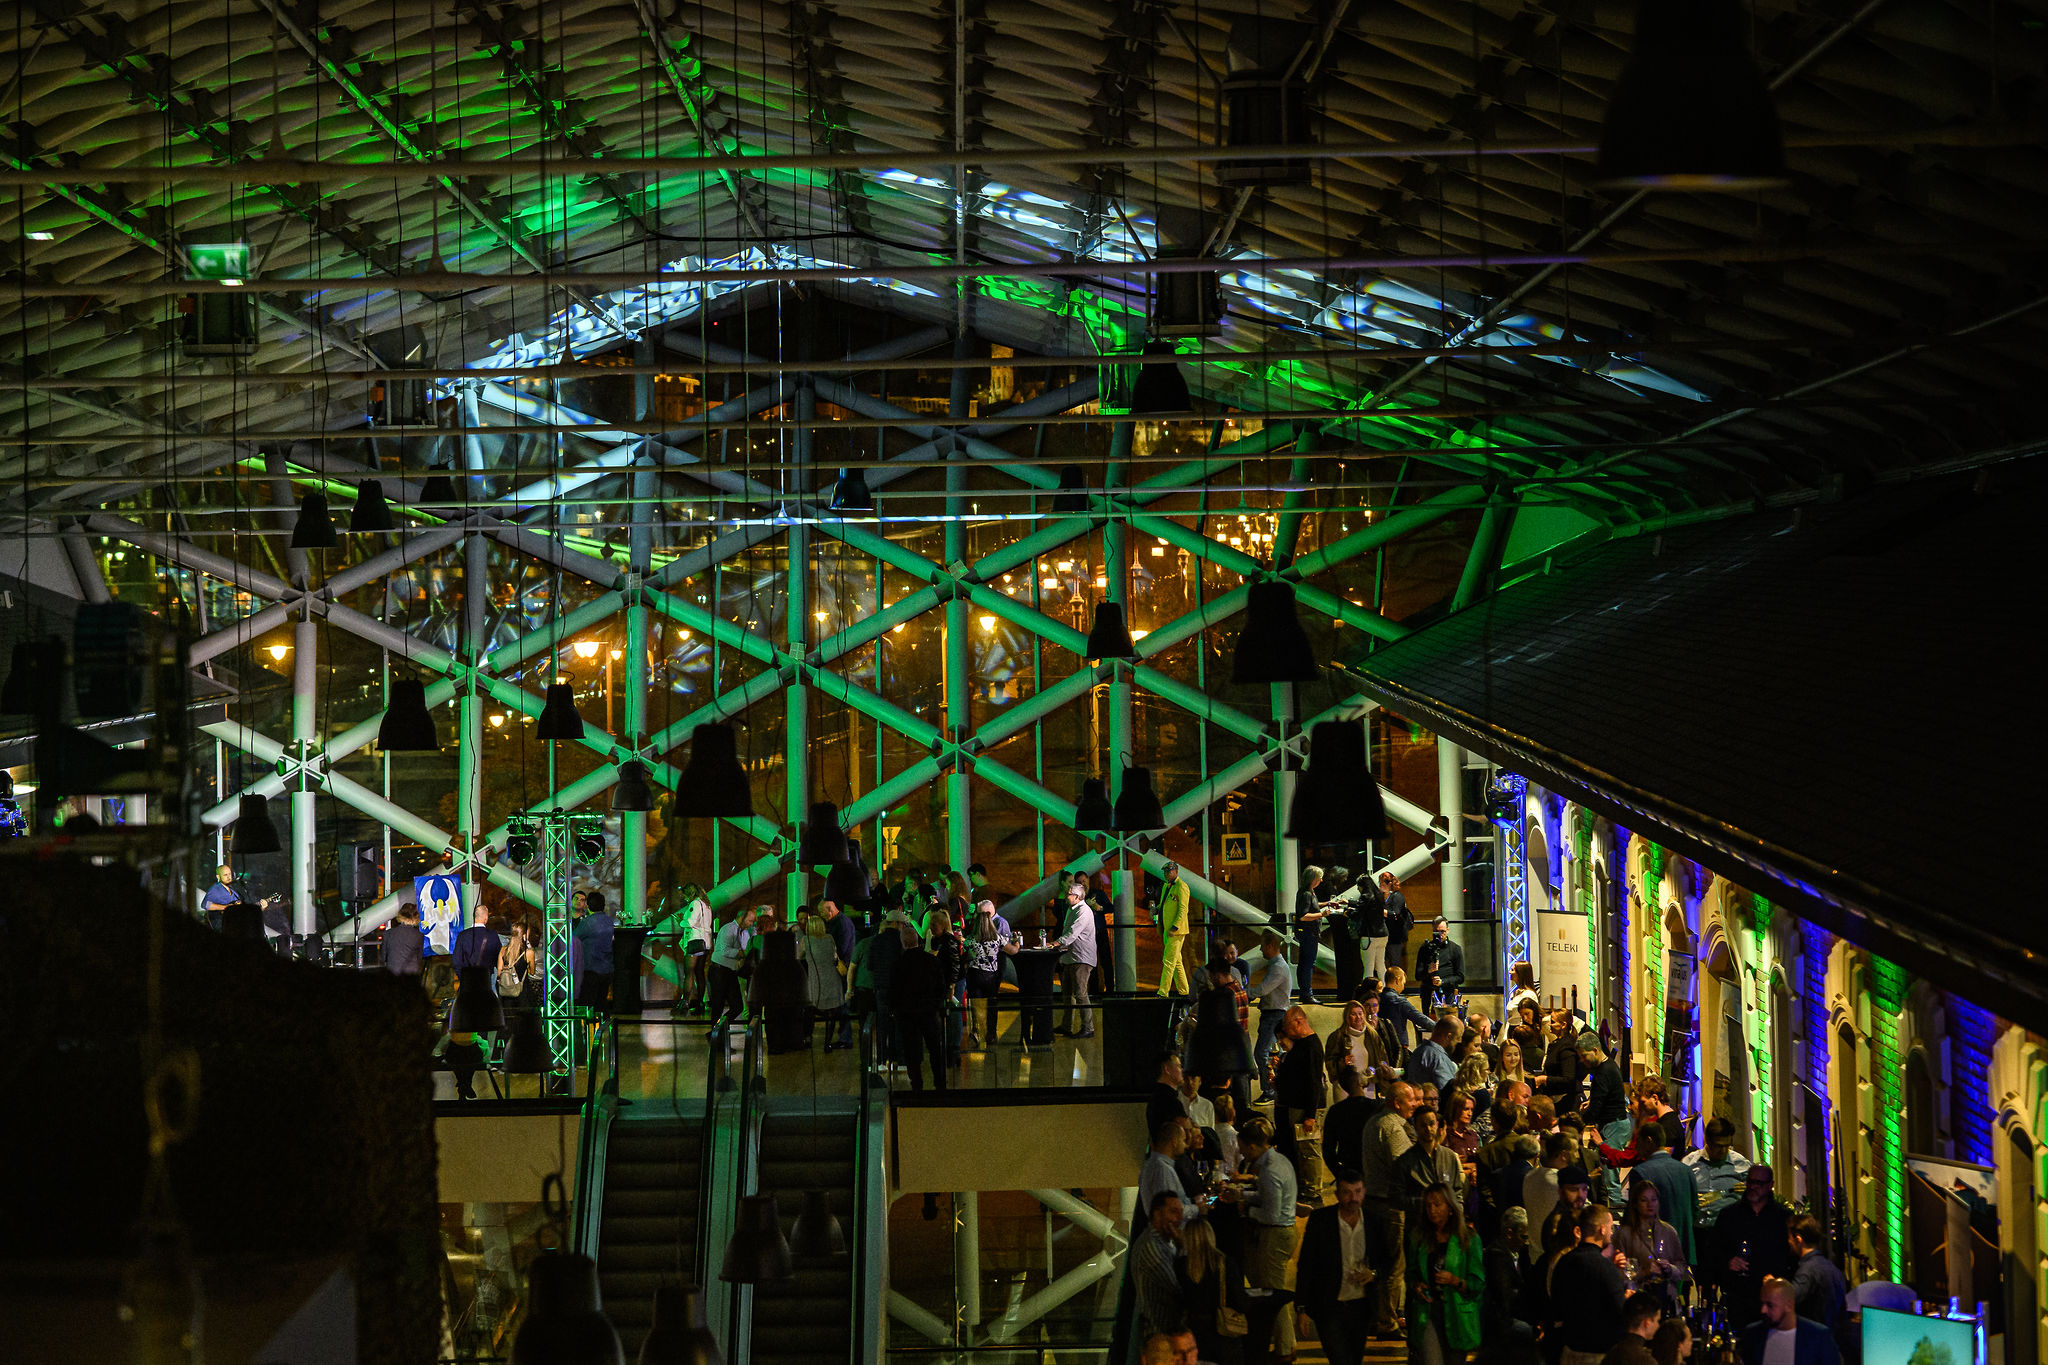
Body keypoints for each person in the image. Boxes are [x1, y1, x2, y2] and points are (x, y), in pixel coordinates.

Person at [1297, 1168, 1378, 1365]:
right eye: (1347, 1192)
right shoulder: (1321, 1221)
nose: (1353, 1198)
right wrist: (1301, 1308)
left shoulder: (1373, 1221)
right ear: (1337, 1195)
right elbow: (1306, 1264)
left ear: (1364, 1192)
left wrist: (1374, 1273)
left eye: (1357, 1191)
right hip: (1329, 1306)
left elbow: (1384, 1258)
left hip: (1360, 1306)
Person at [1240, 1118, 1300, 1360]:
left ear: (1252, 1146)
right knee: (1272, 1288)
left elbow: (1271, 1214)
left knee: (1274, 1294)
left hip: (1276, 1235)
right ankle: (1286, 1343)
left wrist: (1246, 1210)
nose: (1241, 1153)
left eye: (1242, 1147)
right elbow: (1268, 1197)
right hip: (1283, 1231)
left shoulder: (1269, 1170)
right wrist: (1245, 1196)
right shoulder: (1279, 1161)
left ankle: (1285, 1349)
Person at [1362, 1081, 1419, 1336]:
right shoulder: (1393, 1127)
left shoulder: (1373, 1122)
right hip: (1390, 1207)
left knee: (1377, 1263)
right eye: (1411, 1100)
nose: (1415, 1104)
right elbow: (1403, 1166)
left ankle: (1376, 1316)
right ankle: (1388, 1322)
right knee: (1394, 1266)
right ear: (1397, 1103)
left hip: (1371, 1202)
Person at [1407, 1182, 1485, 1365]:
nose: (1432, 1210)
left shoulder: (1468, 1238)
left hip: (1457, 1313)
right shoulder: (1419, 1236)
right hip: (1428, 1310)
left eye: (1437, 1205)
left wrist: (1455, 1280)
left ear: (1450, 1207)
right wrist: (1416, 1285)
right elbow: (1410, 1272)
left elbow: (1477, 1283)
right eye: (1428, 1206)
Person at [1549, 1205, 1628, 1365]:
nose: (1611, 1233)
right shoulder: (1604, 1266)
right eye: (1610, 1227)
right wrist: (1626, 1298)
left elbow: (1557, 1308)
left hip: (1569, 1352)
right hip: (1598, 1355)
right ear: (1602, 1229)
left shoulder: (1563, 1262)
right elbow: (1620, 1311)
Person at [1273, 1005, 1329, 1205]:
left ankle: (1312, 1193)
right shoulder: (1301, 1044)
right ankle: (1304, 1190)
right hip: (1296, 1107)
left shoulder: (1311, 1046)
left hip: (1306, 1109)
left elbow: (1314, 1082)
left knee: (1309, 1152)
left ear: (1298, 1022)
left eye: (1287, 1025)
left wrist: (1310, 1115)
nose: (1285, 1030)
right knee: (1301, 1152)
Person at [1178, 1215, 1249, 1365]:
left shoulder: (1180, 1266)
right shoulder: (1225, 1263)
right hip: (1223, 1336)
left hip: (1194, 1335)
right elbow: (1240, 1302)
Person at [1191, 957, 1256, 1120]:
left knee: (1228, 1102)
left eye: (1212, 976)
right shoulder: (1239, 989)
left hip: (1228, 1054)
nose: (1211, 980)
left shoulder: (1227, 995)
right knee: (1241, 1100)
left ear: (1218, 974)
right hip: (1240, 1051)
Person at [1626, 1125, 1698, 1268]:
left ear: (1648, 1141)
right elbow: (1695, 1210)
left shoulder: (1640, 1172)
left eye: (1637, 1141)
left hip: (1653, 1254)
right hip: (1683, 1252)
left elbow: (1634, 1215)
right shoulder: (1686, 1170)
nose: (1635, 1147)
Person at [1613, 1180, 1690, 1313]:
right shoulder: (1624, 1234)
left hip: (1667, 1298)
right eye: (1644, 1200)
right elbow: (1617, 1274)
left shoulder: (1668, 1231)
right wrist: (1645, 1271)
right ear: (1635, 1204)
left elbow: (1681, 1268)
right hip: (1638, 1300)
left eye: (1654, 1200)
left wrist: (1669, 1268)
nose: (1650, 1204)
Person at [891, 923, 949, 1091]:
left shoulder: (898, 964)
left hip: (907, 1014)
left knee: (912, 1052)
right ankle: (940, 1082)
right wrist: (936, 1004)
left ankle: (917, 1084)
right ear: (918, 941)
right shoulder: (931, 961)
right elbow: (941, 986)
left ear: (903, 943)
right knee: (935, 1049)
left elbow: (893, 991)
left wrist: (895, 1009)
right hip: (929, 1012)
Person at [1738, 1278, 1841, 1365]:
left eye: (1770, 1305)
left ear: (1789, 1305)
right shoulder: (1752, 1333)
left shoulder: (1818, 1336)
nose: (1763, 1310)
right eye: (1762, 1304)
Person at [750, 911, 812, 1053]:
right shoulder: (794, 966)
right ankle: (791, 1043)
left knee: (773, 1021)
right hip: (791, 999)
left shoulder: (765, 964)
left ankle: (776, 1045)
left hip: (772, 999)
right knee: (792, 1020)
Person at [1133, 1190, 1189, 1340]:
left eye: (1181, 1212)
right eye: (1174, 1212)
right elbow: (1177, 1287)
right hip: (1159, 1335)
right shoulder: (1151, 1246)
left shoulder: (1164, 1243)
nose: (1180, 1218)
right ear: (1157, 1215)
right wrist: (1183, 1248)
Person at [1396, 1105, 1468, 1218]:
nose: (1428, 1129)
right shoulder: (1405, 1161)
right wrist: (1426, 1202)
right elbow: (1396, 1198)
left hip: (1447, 1223)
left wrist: (1457, 1213)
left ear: (1437, 1124)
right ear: (1415, 1127)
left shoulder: (1449, 1156)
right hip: (1419, 1222)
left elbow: (1458, 1192)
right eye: (1423, 1125)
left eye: (1431, 1124)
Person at [1684, 1117, 1754, 1230]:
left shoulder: (1741, 1164)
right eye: (1719, 1146)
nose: (1723, 1151)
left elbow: (1757, 1195)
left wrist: (1748, 1191)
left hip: (1730, 1230)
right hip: (1698, 1231)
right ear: (1708, 1141)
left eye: (1727, 1145)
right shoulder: (1689, 1164)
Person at [1249, 929, 1294, 1101]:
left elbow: (1263, 989)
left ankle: (1269, 1090)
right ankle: (1277, 1087)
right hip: (1273, 1014)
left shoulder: (1278, 968)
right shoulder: (1278, 966)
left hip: (1274, 1015)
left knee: (1262, 1053)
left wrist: (1244, 994)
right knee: (1272, 1054)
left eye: (1262, 946)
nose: (1261, 950)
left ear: (1269, 946)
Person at [962, 898, 1011, 1051]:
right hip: (991, 971)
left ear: (987, 913)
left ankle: (981, 1032)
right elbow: (1008, 948)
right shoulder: (995, 935)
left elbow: (968, 953)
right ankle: (988, 1032)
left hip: (983, 972)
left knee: (982, 1003)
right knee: (989, 1002)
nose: (977, 917)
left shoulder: (1000, 924)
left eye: (979, 914)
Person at [449, 902, 505, 1035]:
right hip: (487, 980)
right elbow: (499, 958)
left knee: (467, 1014)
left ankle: (469, 1039)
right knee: (488, 1015)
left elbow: (456, 960)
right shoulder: (492, 935)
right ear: (486, 918)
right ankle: (485, 1039)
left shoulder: (463, 935)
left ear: (474, 916)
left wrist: (464, 977)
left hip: (467, 982)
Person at [1053, 877, 1098, 1039]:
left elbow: (1072, 933)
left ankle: (1088, 1027)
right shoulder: (1073, 909)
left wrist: (1056, 943)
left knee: (1080, 993)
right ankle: (1067, 1026)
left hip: (1081, 958)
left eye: (1069, 894)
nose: (1067, 896)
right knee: (1068, 994)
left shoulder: (1083, 911)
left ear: (1077, 896)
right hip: (1071, 957)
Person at [1140, 1118, 1204, 1233]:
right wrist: (1198, 1209)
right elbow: (1170, 1210)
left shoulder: (1153, 1165)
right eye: (1183, 1140)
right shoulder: (1162, 1169)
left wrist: (1192, 1201)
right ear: (1174, 1142)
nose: (1185, 1146)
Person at [1785, 1214, 1846, 1334]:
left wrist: (1773, 1285)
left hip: (1813, 1338)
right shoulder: (1833, 1269)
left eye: (1789, 1237)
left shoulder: (1807, 1271)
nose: (1788, 1242)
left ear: (1798, 1239)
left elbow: (1789, 1302)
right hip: (1832, 1337)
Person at [800, 910, 849, 1048]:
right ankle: (827, 1043)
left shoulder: (806, 940)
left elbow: (799, 956)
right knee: (831, 1014)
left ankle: (807, 1038)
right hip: (833, 981)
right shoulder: (829, 938)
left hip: (816, 981)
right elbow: (835, 957)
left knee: (810, 1010)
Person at [1483, 1205, 1531, 1345]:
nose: (1526, 1242)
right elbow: (1504, 1299)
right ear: (1509, 1233)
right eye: (1523, 1237)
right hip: (1501, 1322)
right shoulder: (1497, 1257)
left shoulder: (1517, 1254)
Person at [706, 905, 757, 1034]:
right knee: (718, 1005)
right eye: (750, 921)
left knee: (737, 1006)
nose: (751, 924)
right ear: (742, 918)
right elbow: (725, 950)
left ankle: (717, 1031)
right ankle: (716, 1033)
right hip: (719, 970)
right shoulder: (728, 929)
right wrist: (742, 953)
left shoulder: (744, 932)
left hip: (729, 971)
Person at [1324, 1067, 1380, 1182]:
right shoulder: (1375, 1107)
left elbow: (1328, 1149)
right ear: (1360, 1083)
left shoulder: (1335, 1111)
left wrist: (1339, 1174)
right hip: (1374, 1168)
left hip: (1349, 1166)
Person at [1525, 1134, 1582, 1245]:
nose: (1578, 1156)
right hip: (1560, 1251)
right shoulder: (1564, 1182)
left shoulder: (1529, 1176)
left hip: (1535, 1250)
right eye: (1575, 1151)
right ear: (1564, 1155)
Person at [1322, 865, 1366, 1005]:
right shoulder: (1330, 889)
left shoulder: (1330, 888)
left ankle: (1345, 991)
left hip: (1339, 931)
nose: (1346, 879)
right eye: (1344, 877)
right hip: (1342, 932)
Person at [1328, 998, 1389, 1092]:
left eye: (1360, 1013)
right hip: (1344, 1086)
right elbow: (1329, 1062)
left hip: (1368, 1084)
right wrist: (1342, 1062)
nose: (1358, 1017)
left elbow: (1382, 1056)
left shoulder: (1372, 1035)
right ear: (1347, 1016)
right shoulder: (1338, 1036)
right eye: (1353, 1014)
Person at [1578, 1035, 1630, 1142]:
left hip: (1613, 1127)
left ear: (1595, 1050)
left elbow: (1596, 1106)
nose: (1582, 1060)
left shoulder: (1603, 1073)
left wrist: (1578, 1123)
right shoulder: (1609, 1064)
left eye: (1584, 1056)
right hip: (1616, 1124)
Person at [572, 890, 616, 1011]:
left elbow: (573, 938)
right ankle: (603, 1022)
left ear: (588, 905)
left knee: (587, 1004)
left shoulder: (588, 922)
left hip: (591, 969)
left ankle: (588, 1023)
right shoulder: (609, 921)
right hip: (607, 968)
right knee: (601, 1002)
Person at [1156, 860, 1194, 997]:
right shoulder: (1166, 886)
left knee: (1168, 961)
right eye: (1165, 871)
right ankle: (1184, 990)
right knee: (1176, 961)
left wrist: (1175, 927)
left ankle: (1163, 992)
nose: (1166, 874)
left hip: (1175, 931)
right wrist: (1156, 909)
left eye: (1169, 871)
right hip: (1168, 929)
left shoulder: (1182, 886)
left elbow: (1183, 909)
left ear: (1176, 871)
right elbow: (1164, 905)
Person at [1413, 917, 1464, 1015]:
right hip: (1428, 992)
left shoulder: (1455, 949)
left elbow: (1460, 977)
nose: (1440, 935)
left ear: (1448, 930)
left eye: (1442, 931)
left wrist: (1442, 981)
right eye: (1436, 932)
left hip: (1448, 993)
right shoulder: (1425, 948)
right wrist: (1428, 971)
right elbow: (1418, 976)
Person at [1381, 966, 1435, 1051]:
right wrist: (1442, 1028)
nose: (1403, 988)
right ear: (1397, 980)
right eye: (1403, 983)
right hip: (1398, 1048)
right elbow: (1421, 1019)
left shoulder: (1377, 998)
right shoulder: (1399, 1001)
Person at [679, 882, 714, 1014]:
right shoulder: (707, 904)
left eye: (685, 895)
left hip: (695, 941)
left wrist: (680, 921)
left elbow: (691, 922)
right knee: (700, 973)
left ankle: (685, 1002)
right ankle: (700, 1003)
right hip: (706, 942)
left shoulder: (695, 904)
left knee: (689, 973)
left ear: (690, 893)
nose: (684, 898)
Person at [1600, 1294, 1664, 1365]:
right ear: (1647, 1322)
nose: (1658, 1326)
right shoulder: (1645, 1361)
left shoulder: (1612, 1353)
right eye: (1657, 1321)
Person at [1295, 864, 1327, 1004]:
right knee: (1307, 964)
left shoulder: (1306, 892)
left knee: (1304, 963)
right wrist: (1322, 914)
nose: (1321, 881)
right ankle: (1307, 994)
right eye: (1319, 878)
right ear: (1313, 879)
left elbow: (1312, 906)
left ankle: (1304, 992)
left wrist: (1326, 903)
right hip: (1309, 933)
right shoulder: (1307, 894)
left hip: (1308, 933)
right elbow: (1303, 916)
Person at [1407, 1015, 1462, 1092]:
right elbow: (1448, 1092)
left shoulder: (1419, 1050)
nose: (1459, 1041)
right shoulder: (1438, 1058)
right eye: (1458, 1038)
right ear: (1448, 1036)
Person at [1381, 871, 1413, 982]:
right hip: (1387, 935)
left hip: (1395, 936)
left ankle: (1397, 985)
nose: (1380, 885)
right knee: (1384, 963)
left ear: (1389, 884)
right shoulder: (1384, 897)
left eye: (1382, 883)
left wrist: (1380, 911)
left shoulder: (1397, 896)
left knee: (1395, 963)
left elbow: (1395, 914)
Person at [383, 901, 425, 977]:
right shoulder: (419, 935)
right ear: (416, 917)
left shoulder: (388, 933)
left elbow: (383, 957)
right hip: (411, 974)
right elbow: (419, 958)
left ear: (400, 915)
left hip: (392, 972)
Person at [200, 864, 242, 932]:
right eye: (225, 875)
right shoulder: (216, 889)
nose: (229, 877)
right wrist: (226, 907)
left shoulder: (233, 888)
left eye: (230, 874)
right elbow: (205, 904)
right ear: (218, 877)